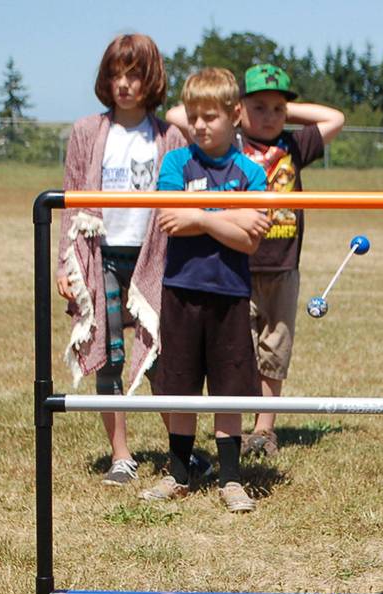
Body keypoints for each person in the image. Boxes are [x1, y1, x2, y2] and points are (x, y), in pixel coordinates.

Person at [168, 64, 345, 456]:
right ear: (237, 111)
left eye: (277, 109)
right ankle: (235, 425)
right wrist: (242, 111)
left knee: (274, 349)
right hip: (237, 261)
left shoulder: (294, 146)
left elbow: (336, 118)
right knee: (236, 350)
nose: (269, 117)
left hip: (283, 264)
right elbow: (177, 114)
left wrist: (284, 112)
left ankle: (265, 428)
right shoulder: (230, 146)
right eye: (258, 108)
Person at [55, 34, 191, 487]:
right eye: (116, 74)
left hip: (154, 260)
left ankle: (181, 454)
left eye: (134, 74)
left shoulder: (169, 136)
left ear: (150, 79)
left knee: (161, 359)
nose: (124, 84)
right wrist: (65, 265)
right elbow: (72, 202)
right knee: (109, 356)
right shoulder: (87, 131)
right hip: (101, 258)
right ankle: (121, 455)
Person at [138, 67, 270, 512]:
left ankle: (231, 479)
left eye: (209, 116)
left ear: (235, 115)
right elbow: (172, 220)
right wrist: (225, 218)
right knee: (180, 385)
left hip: (230, 293)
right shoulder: (176, 163)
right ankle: (178, 473)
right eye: (192, 116)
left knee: (229, 387)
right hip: (181, 290)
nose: (199, 125)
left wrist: (201, 218)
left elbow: (251, 238)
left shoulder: (250, 171)